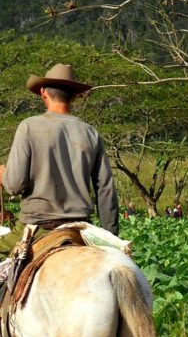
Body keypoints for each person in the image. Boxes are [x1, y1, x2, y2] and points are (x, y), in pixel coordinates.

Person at [0, 63, 119, 259]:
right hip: (80, 230)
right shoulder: (91, 133)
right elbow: (106, 190)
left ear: (43, 93)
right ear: (73, 96)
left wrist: (4, 176)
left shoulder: (29, 127)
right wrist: (110, 237)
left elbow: (14, 185)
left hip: (37, 228)